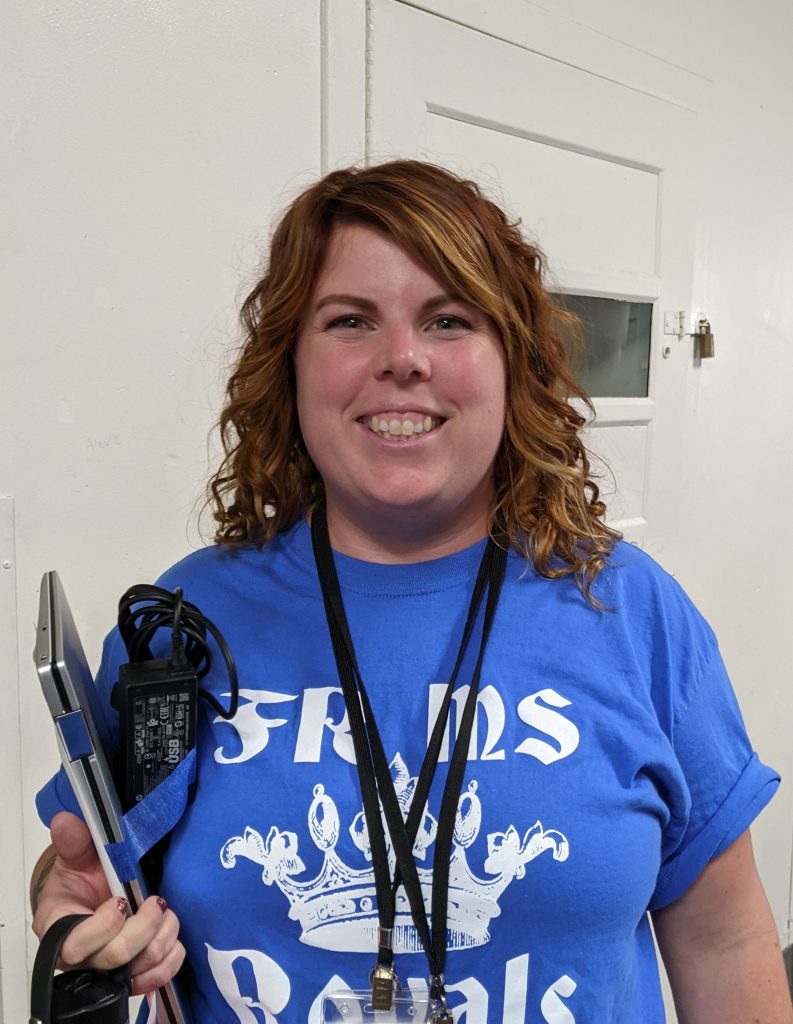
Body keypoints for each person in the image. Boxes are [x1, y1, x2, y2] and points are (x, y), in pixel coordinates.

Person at [31, 160, 792, 1024]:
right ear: (290, 364)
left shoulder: (629, 611)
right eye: (350, 321)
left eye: (448, 319)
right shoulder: (184, 624)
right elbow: (81, 864)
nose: (401, 359)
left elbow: (724, 942)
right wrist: (65, 904)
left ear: (511, 361)